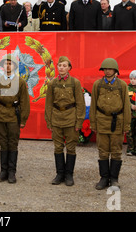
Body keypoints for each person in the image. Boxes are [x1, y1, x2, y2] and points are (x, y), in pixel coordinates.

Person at [0, 55, 30, 184]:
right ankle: (3, 171)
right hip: (0, 114)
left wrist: (23, 119)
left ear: (15, 67)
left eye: (11, 64)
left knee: (13, 143)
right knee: (2, 142)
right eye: (6, 64)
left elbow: (25, 102)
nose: (8, 66)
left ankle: (12, 172)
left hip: (13, 115)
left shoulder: (21, 82)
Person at [89, 58, 131, 190]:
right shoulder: (98, 84)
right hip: (101, 121)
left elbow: (126, 107)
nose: (107, 71)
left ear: (115, 70)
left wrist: (126, 125)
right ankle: (104, 178)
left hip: (117, 122)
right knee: (102, 152)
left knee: (116, 151)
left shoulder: (122, 85)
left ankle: (114, 179)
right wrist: (93, 123)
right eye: (105, 69)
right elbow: (93, 105)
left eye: (110, 69)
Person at [45, 56, 86, 186]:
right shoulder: (52, 83)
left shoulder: (75, 83)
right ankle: (59, 174)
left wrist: (79, 122)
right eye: (59, 65)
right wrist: (49, 121)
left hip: (70, 119)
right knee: (57, 147)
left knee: (71, 147)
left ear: (69, 68)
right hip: (56, 118)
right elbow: (49, 104)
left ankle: (69, 175)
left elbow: (80, 103)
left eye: (64, 65)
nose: (61, 68)